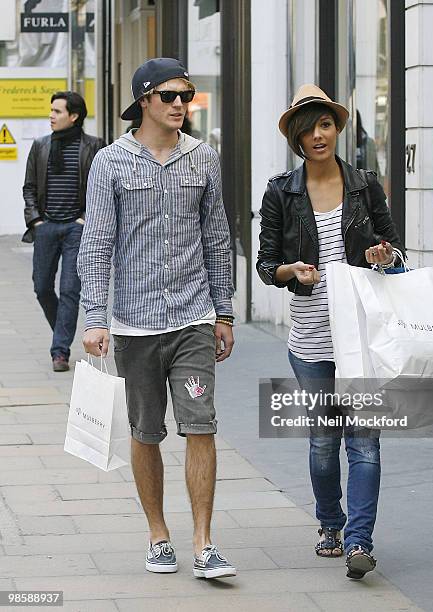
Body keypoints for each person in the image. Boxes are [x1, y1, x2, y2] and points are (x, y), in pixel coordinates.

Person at [77, 58, 236, 579]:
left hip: (193, 316)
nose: (179, 105)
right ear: (143, 100)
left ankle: (204, 543)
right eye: (168, 96)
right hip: (135, 325)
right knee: (146, 432)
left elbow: (216, 238)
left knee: (201, 427)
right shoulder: (111, 163)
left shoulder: (204, 159)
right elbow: (97, 245)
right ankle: (158, 535)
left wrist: (224, 312)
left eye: (185, 96)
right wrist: (95, 317)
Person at [257, 85, 405, 580]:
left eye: (324, 125)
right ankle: (331, 524)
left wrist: (384, 257)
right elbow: (264, 263)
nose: (317, 135)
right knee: (324, 442)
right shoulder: (282, 191)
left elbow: (393, 248)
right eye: (307, 128)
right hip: (312, 340)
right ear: (296, 137)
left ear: (336, 128)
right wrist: (288, 272)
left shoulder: (365, 185)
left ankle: (360, 542)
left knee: (364, 442)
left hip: (361, 337)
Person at [22, 91, 105, 372]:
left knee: (70, 290)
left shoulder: (93, 146)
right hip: (46, 227)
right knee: (42, 286)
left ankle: (60, 351)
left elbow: (100, 190)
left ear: (74, 116)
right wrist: (35, 221)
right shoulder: (41, 146)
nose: (51, 116)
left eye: (57, 111)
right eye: (51, 110)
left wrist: (85, 219)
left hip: (76, 229)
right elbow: (29, 188)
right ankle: (64, 331)